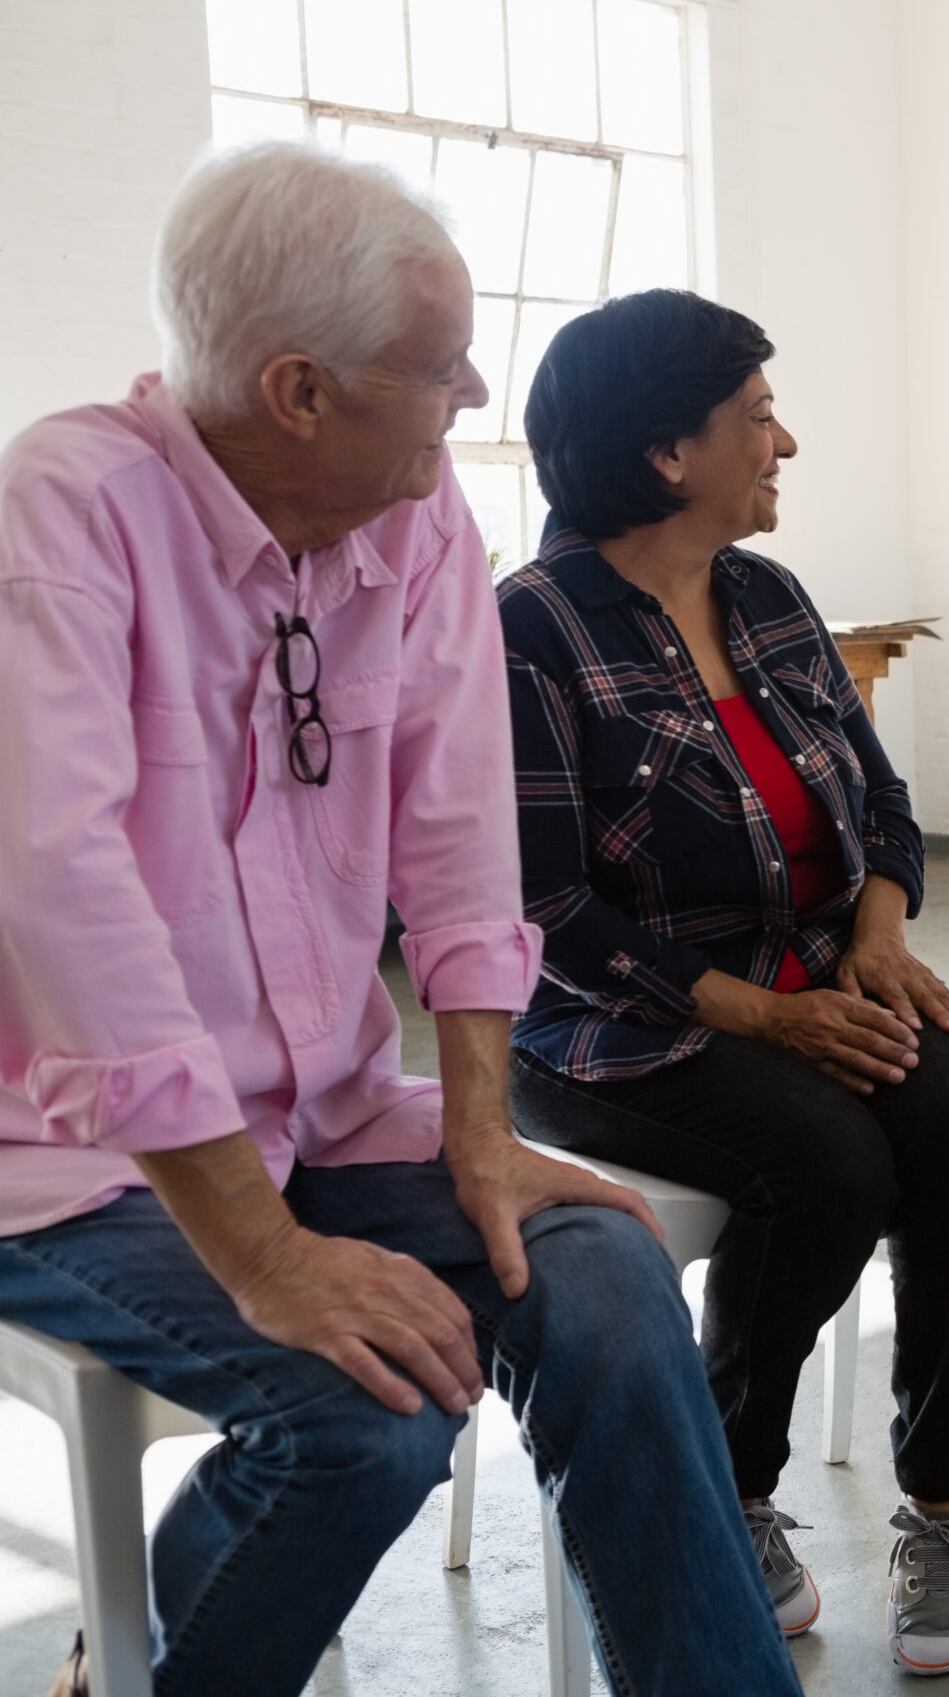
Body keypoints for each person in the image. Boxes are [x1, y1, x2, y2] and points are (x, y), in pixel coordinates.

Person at [0, 143, 801, 1697]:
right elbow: (61, 886)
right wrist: (262, 1254)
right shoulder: (65, 512)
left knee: (615, 1292)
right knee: (363, 1424)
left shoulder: (415, 521)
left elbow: (456, 841)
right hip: (71, 1156)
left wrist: (481, 1134)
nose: (476, 397)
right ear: (298, 390)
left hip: (330, 1112)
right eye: (438, 369)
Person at [499, 288, 949, 1673]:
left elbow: (888, 816)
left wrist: (879, 941)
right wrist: (767, 1015)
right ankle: (729, 1489)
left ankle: (943, 1499)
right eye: (758, 417)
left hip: (814, 980)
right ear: (671, 452)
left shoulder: (773, 599)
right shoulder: (534, 630)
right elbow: (544, 907)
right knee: (832, 1165)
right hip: (612, 1030)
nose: (783, 442)